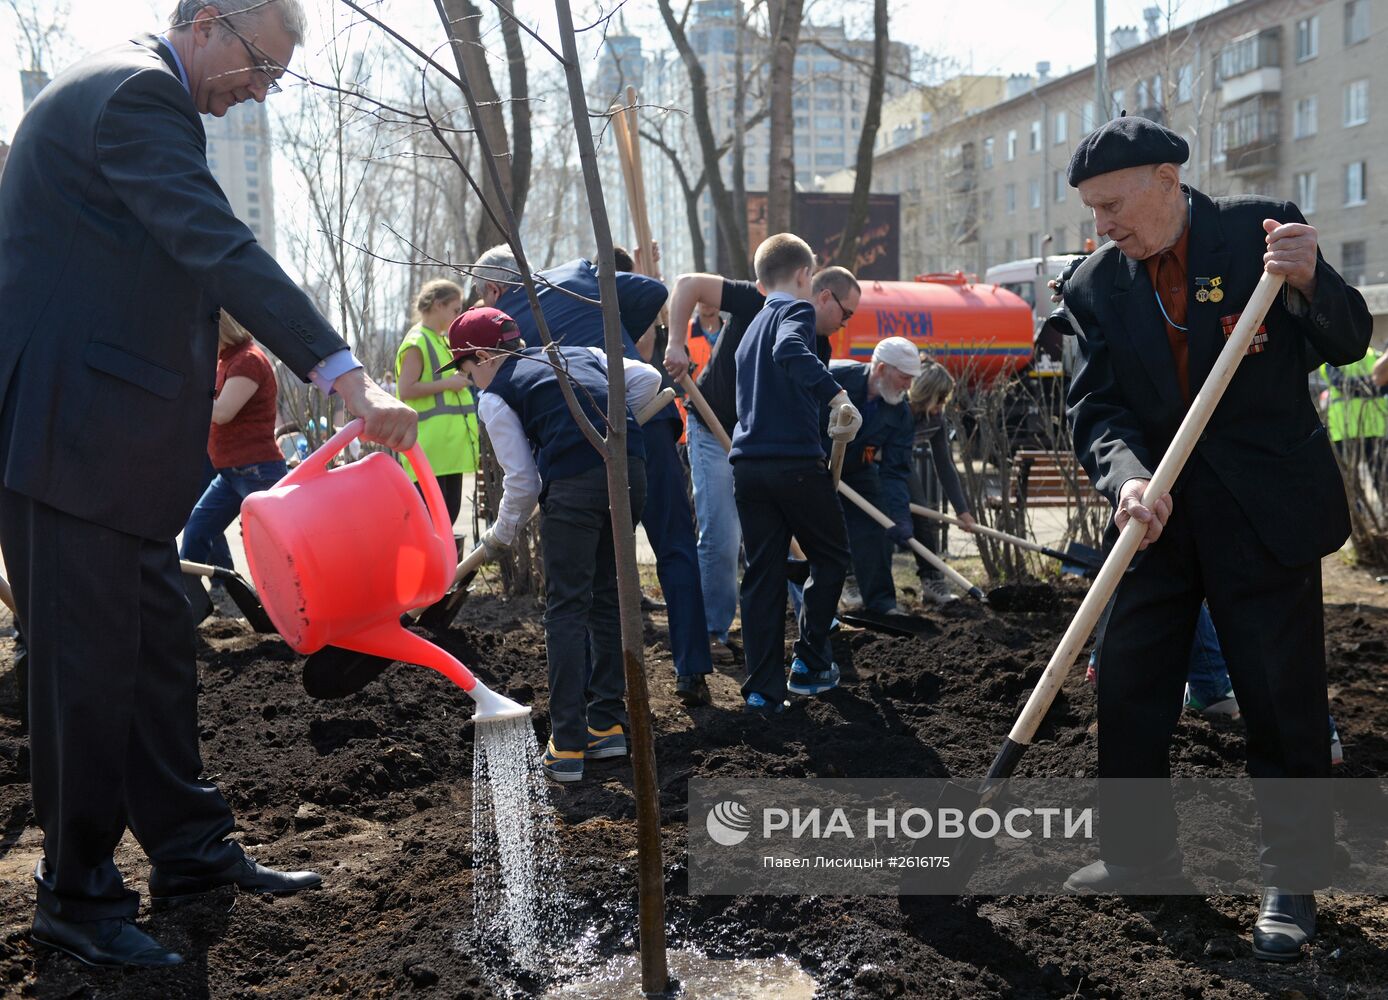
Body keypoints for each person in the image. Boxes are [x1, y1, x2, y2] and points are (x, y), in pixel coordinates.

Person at [0, 0, 417, 968]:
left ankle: (190, 853)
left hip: (110, 445)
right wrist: (345, 375)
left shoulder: (130, 88)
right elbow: (218, 246)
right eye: (259, 68)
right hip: (70, 441)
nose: (261, 92)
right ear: (210, 23)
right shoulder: (138, 93)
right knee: (85, 682)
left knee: (155, 659)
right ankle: (76, 898)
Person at [1059, 116, 1371, 961]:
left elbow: (1347, 339)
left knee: (1279, 695)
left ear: (1167, 178)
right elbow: (1096, 409)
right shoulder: (1094, 286)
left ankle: (1292, 879)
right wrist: (1125, 479)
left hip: (1263, 506)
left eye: (1113, 205)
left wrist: (1311, 281)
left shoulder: (1257, 232)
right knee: (1129, 683)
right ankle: (1138, 854)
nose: (1103, 226)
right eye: (1092, 211)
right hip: (1154, 515)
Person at [469, 246, 716, 706]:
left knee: (587, 571)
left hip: (581, 447)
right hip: (643, 410)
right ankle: (692, 667)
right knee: (675, 543)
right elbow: (652, 290)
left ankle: (591, 692)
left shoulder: (501, 329)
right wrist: (617, 331)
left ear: (492, 289)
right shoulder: (576, 276)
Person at [439, 307, 661, 782]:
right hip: (632, 473)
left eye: (464, 369)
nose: (467, 379)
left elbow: (522, 482)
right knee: (606, 596)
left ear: (482, 356)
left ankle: (567, 745)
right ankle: (605, 725)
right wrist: (606, 429)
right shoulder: (578, 353)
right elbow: (646, 378)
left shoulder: (497, 396)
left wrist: (499, 537)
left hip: (576, 489)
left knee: (565, 608)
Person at [664, 265, 862, 663]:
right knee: (721, 537)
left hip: (760, 449)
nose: (845, 324)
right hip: (712, 426)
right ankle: (713, 632)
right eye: (847, 314)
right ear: (822, 295)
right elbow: (688, 284)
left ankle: (814, 623)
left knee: (786, 544)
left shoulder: (817, 344)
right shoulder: (759, 299)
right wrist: (674, 342)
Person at [730, 234, 861, 716]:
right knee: (831, 555)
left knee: (762, 577)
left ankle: (762, 691)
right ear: (806, 276)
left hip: (749, 468)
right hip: (794, 465)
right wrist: (837, 396)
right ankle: (807, 662)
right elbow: (791, 351)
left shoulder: (748, 331)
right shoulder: (796, 313)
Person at [179, 312, 288, 566]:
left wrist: (186, 392)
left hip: (257, 470)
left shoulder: (247, 360)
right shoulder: (227, 360)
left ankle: (290, 600)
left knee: (274, 545)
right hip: (230, 473)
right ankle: (189, 601)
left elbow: (223, 412)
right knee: (196, 531)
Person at [825, 337, 921, 615]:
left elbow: (894, 471)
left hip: (856, 470)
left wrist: (899, 516)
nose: (908, 386)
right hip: (811, 465)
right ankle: (819, 608)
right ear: (880, 369)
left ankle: (881, 604)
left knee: (876, 528)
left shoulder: (900, 413)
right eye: (904, 377)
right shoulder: (833, 379)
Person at [395, 279, 480, 526]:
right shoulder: (417, 341)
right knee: (433, 520)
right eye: (455, 309)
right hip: (430, 448)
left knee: (447, 515)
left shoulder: (440, 340)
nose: (458, 315)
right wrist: (449, 384)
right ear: (437, 305)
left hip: (447, 450)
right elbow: (406, 389)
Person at [906, 360, 977, 604]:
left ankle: (932, 581)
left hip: (900, 466)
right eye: (937, 400)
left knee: (922, 517)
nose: (940, 408)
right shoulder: (898, 409)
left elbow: (944, 465)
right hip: (870, 464)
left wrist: (962, 511)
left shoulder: (935, 418)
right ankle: (859, 584)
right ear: (923, 394)